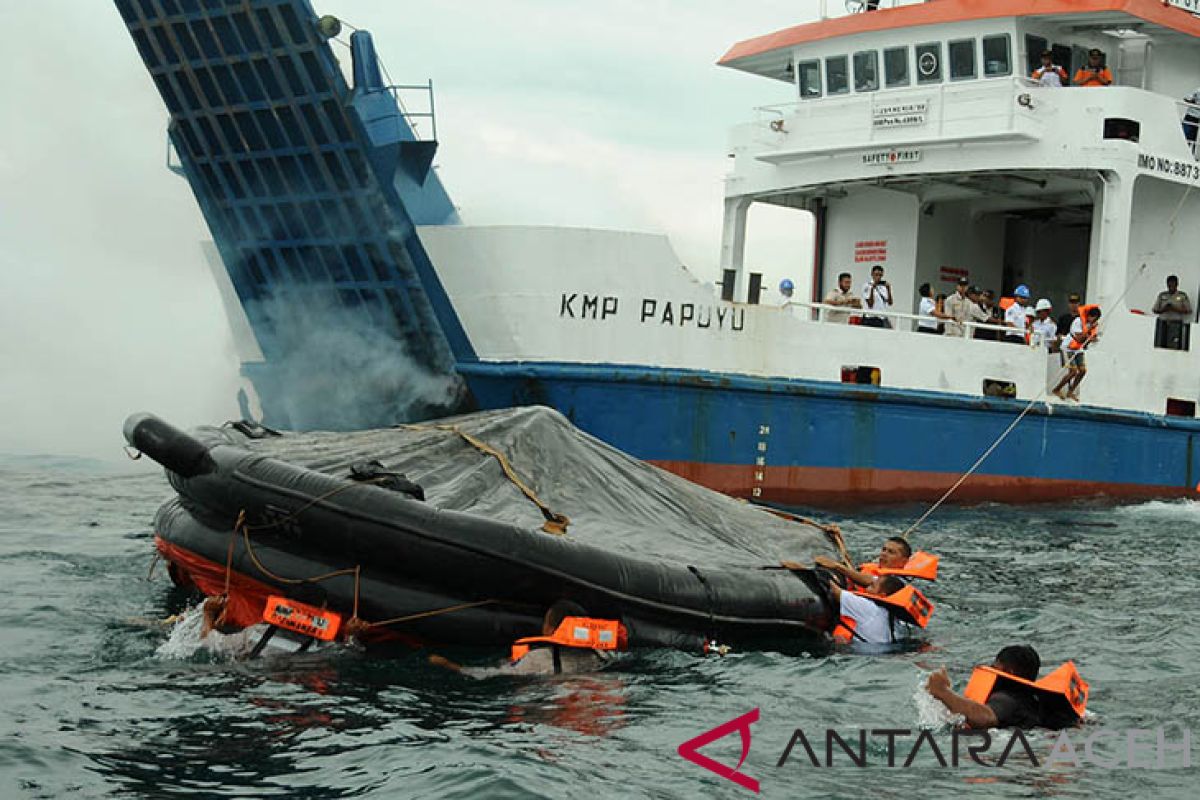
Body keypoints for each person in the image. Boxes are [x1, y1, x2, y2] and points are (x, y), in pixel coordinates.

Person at [926, 645, 1088, 730]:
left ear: (1007, 671)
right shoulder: (1038, 701)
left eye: (994, 666)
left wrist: (943, 692)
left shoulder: (1006, 698)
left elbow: (986, 718)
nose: (990, 669)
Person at [828, 575, 931, 645]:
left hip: (858, 654)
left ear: (881, 595)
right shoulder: (898, 619)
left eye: (872, 586)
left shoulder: (868, 607)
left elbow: (835, 592)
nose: (867, 587)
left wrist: (831, 577)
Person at [1052, 305, 1101, 400]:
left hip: (1079, 349)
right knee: (1073, 371)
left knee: (1082, 370)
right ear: (1090, 316)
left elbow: (1087, 339)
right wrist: (1090, 331)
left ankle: (1071, 392)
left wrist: (1092, 338)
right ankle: (1057, 389)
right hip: (1068, 348)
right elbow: (1079, 338)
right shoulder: (1078, 322)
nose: (1095, 321)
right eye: (1094, 319)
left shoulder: (1090, 325)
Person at [1152, 274, 1192, 350]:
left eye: (1173, 285)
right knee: (1160, 346)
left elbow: (1188, 310)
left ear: (1177, 284)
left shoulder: (1182, 295)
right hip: (1162, 324)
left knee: (1173, 347)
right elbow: (1155, 310)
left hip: (1176, 324)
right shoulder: (1162, 295)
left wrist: (1175, 309)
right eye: (1169, 285)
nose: (1171, 287)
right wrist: (1164, 309)